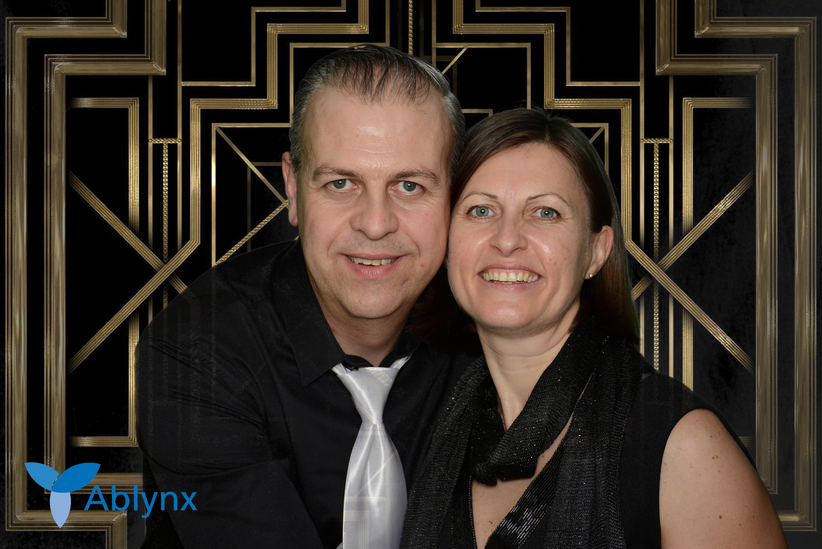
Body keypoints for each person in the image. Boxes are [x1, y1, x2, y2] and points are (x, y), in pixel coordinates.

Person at [400, 109, 786, 548]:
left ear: (596, 252)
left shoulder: (685, 448)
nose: (507, 239)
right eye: (481, 210)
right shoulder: (423, 425)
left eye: (546, 212)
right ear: (447, 242)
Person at [136, 45, 471, 548]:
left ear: (455, 195)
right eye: (341, 183)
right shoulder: (194, 350)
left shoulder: (494, 332)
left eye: (409, 185)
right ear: (293, 188)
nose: (375, 224)